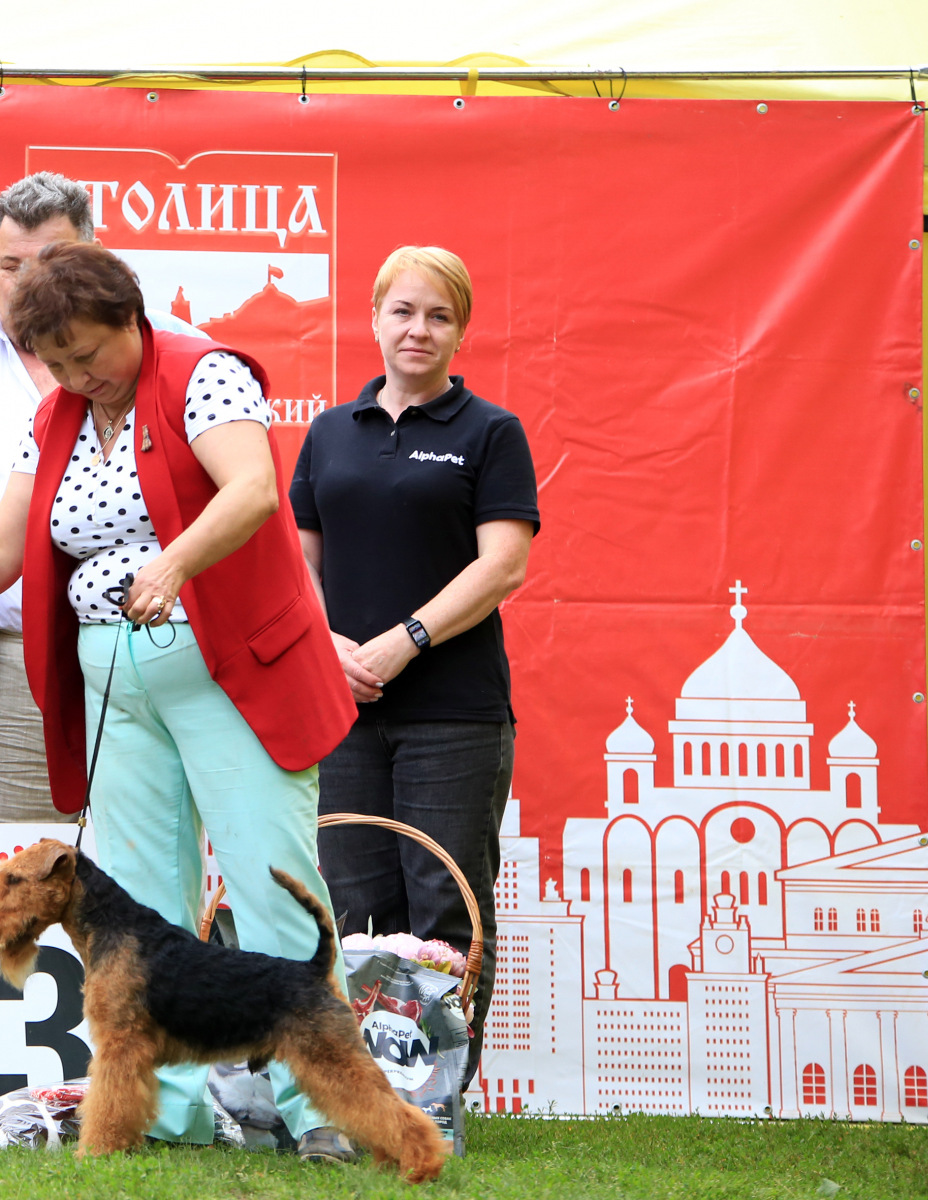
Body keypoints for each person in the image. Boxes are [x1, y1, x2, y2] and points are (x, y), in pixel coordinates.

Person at [0, 241, 362, 1161]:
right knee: (139, 896)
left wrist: (174, 562)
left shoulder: (202, 375)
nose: (75, 377)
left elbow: (254, 490)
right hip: (114, 682)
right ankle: (168, 1113)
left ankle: (318, 1110)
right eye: (55, 363)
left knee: (267, 877)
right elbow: (1, 546)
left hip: (228, 668)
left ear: (132, 318)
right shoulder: (55, 417)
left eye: (88, 354)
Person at [0, 172, 200, 823]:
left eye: (48, 262)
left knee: (150, 856)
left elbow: (243, 498)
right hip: (7, 666)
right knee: (18, 865)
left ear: (95, 258)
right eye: (10, 265)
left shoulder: (177, 352)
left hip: (158, 651)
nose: (26, 284)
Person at [290, 245, 538, 1089]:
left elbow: (503, 564)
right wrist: (326, 644)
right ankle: (363, 1096)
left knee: (443, 908)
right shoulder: (329, 433)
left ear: (461, 331)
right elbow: (298, 562)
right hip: (343, 709)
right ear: (374, 320)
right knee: (354, 907)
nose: (418, 329)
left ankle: (435, 1099)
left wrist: (407, 639)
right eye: (402, 311)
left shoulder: (490, 433)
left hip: (453, 714)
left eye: (439, 315)